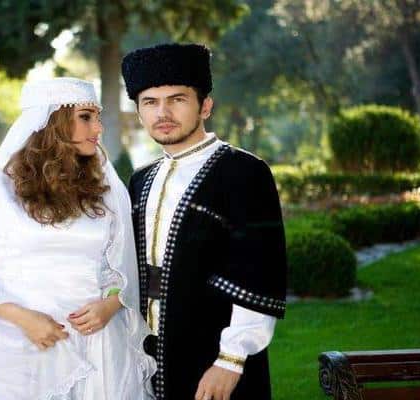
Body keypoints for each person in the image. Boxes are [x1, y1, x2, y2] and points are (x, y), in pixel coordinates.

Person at [0, 77, 156, 399]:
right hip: (12, 344)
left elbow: (118, 268)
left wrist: (109, 305)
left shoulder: (104, 192)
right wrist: (26, 320)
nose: (98, 128)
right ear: (51, 121)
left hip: (96, 347)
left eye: (97, 117)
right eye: (85, 117)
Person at [121, 43, 287, 400]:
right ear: (139, 111)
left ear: (205, 106)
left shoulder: (244, 172)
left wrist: (231, 359)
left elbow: (258, 271)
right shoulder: (141, 180)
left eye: (177, 99)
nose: (163, 112)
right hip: (148, 356)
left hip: (213, 354)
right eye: (150, 102)